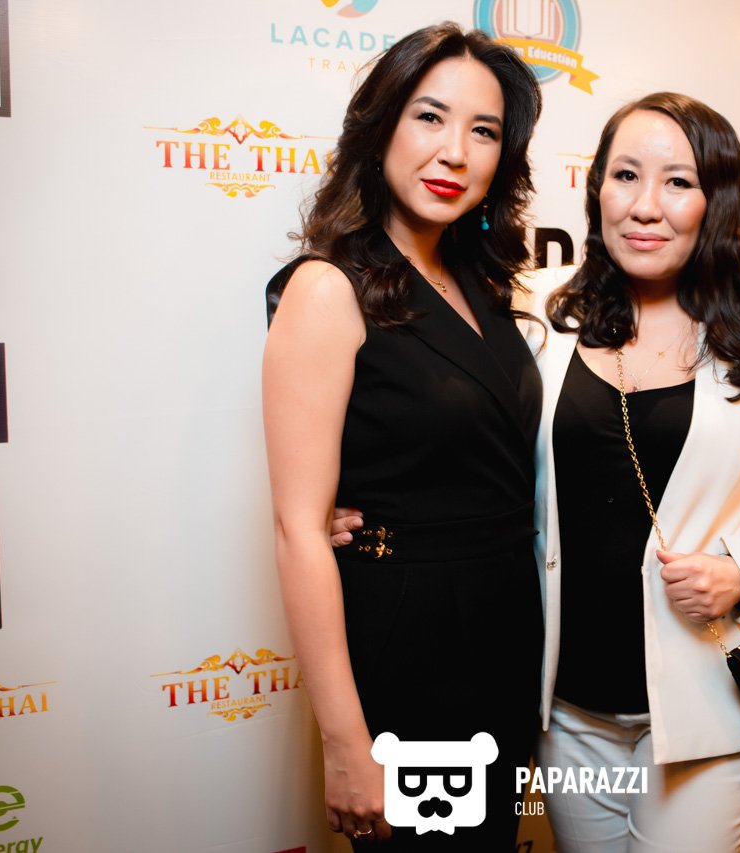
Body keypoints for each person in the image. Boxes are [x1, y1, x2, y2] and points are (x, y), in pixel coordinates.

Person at [526, 93, 740, 852]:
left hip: (709, 708)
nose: (645, 205)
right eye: (625, 175)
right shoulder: (539, 307)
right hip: (567, 712)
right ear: (596, 189)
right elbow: (459, 432)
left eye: (677, 182)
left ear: (717, 201)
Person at [261, 23, 544, 851]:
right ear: (380, 124)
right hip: (410, 641)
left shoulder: (484, 286)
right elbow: (299, 531)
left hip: (506, 631)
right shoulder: (326, 288)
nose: (455, 151)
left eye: (484, 131)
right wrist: (346, 744)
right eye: (430, 117)